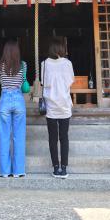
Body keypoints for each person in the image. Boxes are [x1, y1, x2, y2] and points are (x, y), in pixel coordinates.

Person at [41, 38, 75, 178]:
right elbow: (71, 81)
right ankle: (64, 168)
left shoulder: (44, 63)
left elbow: (43, 83)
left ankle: (56, 167)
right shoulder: (67, 63)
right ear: (61, 49)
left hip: (50, 106)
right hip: (65, 104)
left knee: (53, 138)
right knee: (64, 137)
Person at [0, 40, 27, 178]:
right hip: (18, 99)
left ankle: (4, 171)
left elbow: (1, 83)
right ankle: (18, 171)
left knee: (4, 137)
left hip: (5, 99)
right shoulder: (23, 65)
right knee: (19, 137)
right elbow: (22, 83)